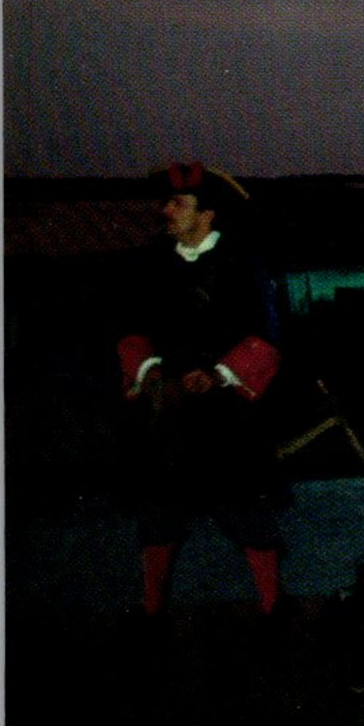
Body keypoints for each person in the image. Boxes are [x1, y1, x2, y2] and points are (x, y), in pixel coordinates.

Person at [116, 162, 286, 625]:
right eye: (167, 202)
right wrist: (153, 374)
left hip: (228, 413)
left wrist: (219, 374)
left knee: (247, 512)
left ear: (206, 214)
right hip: (168, 412)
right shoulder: (150, 263)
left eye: (178, 204)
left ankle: (272, 610)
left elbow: (267, 335)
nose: (166, 210)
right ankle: (153, 612)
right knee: (159, 515)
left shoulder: (243, 265)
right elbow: (131, 330)